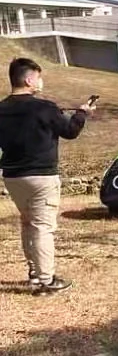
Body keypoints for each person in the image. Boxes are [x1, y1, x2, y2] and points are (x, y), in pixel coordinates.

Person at [0, 58, 94, 294]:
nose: (41, 82)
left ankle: (35, 272)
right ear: (29, 79)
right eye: (39, 77)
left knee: (27, 222)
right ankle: (46, 281)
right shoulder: (44, 108)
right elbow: (70, 131)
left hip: (12, 176)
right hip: (41, 176)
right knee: (42, 227)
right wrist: (82, 114)